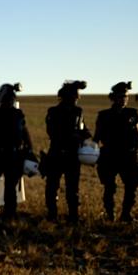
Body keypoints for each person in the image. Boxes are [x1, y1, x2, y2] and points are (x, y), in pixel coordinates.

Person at [94, 81, 138, 222]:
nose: (124, 99)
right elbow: (97, 137)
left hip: (128, 155)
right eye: (121, 96)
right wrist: (92, 154)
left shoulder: (132, 113)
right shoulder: (104, 115)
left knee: (131, 186)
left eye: (126, 96)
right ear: (113, 97)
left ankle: (126, 215)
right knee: (110, 187)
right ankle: (109, 214)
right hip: (109, 156)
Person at [0, 83, 33, 220]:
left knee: (11, 187)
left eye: (12, 99)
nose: (10, 101)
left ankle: (10, 214)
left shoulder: (18, 113)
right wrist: (2, 93)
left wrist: (30, 147)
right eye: (7, 99)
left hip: (14, 155)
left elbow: (24, 130)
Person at [43, 81, 87, 223]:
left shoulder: (78, 111)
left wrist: (87, 138)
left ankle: (73, 217)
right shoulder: (53, 112)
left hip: (73, 156)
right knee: (52, 186)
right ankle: (52, 215)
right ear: (66, 96)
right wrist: (72, 136)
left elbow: (83, 129)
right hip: (56, 153)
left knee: (73, 188)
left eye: (78, 96)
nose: (77, 98)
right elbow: (52, 132)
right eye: (75, 96)